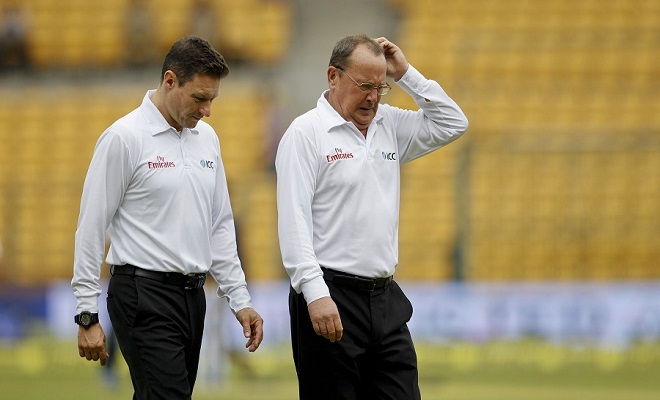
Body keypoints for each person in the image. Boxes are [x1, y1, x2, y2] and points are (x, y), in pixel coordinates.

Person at [275, 34, 468, 400]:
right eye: (364, 86)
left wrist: (406, 74)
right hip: (330, 295)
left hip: (385, 299)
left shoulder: (388, 126)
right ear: (333, 76)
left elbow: (453, 123)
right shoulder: (305, 134)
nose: (373, 98)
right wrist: (315, 294)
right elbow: (293, 220)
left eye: (381, 88)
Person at [71, 35, 264, 399]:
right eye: (200, 98)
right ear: (170, 80)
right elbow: (91, 227)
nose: (207, 110)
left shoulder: (207, 139)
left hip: (194, 299)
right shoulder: (123, 138)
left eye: (212, 99)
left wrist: (240, 300)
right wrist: (86, 314)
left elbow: (219, 224)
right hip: (142, 295)